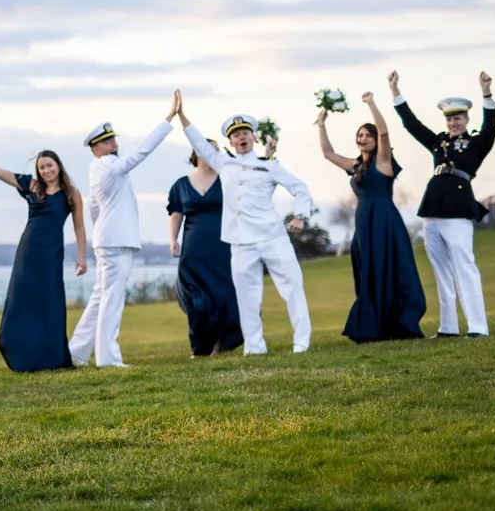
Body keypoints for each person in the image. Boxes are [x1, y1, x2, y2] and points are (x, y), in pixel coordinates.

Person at [177, 93, 314, 354]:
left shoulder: (269, 165)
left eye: (245, 133)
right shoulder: (223, 161)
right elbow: (198, 141)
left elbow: (300, 189)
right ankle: (254, 346)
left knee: (292, 288)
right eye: (236, 134)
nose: (241, 138)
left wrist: (300, 215)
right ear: (229, 140)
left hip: (272, 237)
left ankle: (302, 342)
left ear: (253, 138)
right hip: (240, 242)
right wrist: (182, 116)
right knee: (247, 297)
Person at [0, 138, 86, 371]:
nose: (46, 170)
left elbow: (79, 227)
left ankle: (54, 357)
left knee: (50, 302)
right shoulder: (31, 186)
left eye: (49, 165)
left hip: (51, 254)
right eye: (42, 167)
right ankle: (23, 354)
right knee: (23, 302)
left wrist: (82, 256)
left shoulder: (72, 194)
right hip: (28, 252)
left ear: (58, 166)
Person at [390, 70, 495, 338]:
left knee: (465, 266)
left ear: (466, 119)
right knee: (441, 270)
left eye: (457, 118)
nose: (453, 123)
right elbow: (412, 125)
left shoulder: (476, 143)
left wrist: (486, 93)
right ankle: (448, 327)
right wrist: (395, 92)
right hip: (433, 211)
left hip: (459, 211)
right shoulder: (438, 141)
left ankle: (478, 327)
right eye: (449, 119)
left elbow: (490, 126)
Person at [68, 103, 176, 368]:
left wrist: (102, 232)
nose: (113, 143)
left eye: (113, 139)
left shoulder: (99, 168)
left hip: (108, 240)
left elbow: (94, 207)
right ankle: (108, 358)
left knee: (99, 298)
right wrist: (168, 119)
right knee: (111, 300)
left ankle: (76, 353)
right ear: (96, 149)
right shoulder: (109, 165)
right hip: (116, 243)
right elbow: (141, 152)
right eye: (106, 141)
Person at [317, 94, 426, 343]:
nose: (363, 138)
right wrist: (322, 125)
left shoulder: (383, 161)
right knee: (369, 272)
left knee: (391, 269)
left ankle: (400, 323)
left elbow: (385, 132)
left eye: (367, 134)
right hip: (364, 225)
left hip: (385, 223)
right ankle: (373, 326)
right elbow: (327, 153)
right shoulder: (355, 166)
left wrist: (370, 103)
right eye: (360, 135)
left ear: (375, 140)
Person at [167, 143, 244, 356]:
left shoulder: (227, 179)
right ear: (195, 154)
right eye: (205, 149)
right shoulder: (181, 184)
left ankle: (222, 344)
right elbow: (176, 214)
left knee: (224, 295)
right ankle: (201, 347)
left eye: (215, 150)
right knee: (197, 300)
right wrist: (173, 240)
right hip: (193, 251)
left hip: (222, 247)